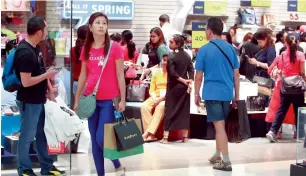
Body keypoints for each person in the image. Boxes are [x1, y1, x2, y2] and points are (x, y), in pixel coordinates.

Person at [73, 12, 126, 176]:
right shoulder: (86, 49)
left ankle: (117, 163)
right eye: (98, 23)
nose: (102, 25)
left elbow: (120, 75)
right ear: (90, 27)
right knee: (95, 144)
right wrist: (77, 100)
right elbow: (83, 75)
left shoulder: (114, 48)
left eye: (104, 23)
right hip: (91, 99)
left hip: (109, 101)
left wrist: (123, 99)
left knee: (100, 138)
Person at [13, 16, 65, 176]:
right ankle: (24, 169)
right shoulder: (25, 52)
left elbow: (41, 72)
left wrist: (49, 89)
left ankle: (47, 167)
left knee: (43, 134)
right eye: (46, 30)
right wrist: (47, 76)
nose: (47, 33)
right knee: (27, 136)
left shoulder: (35, 48)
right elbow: (26, 82)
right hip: (29, 102)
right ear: (39, 32)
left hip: (39, 100)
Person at [194, 17, 240, 171]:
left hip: (212, 93)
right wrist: (236, 96)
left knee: (219, 127)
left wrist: (196, 94)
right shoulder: (231, 48)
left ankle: (226, 161)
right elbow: (236, 75)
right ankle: (217, 154)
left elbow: (198, 76)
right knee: (220, 126)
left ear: (209, 30)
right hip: (227, 93)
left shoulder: (204, 50)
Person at [266, 34, 306, 143]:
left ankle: (272, 131)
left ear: (286, 43)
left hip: (285, 86)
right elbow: (302, 72)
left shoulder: (282, 55)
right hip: (297, 87)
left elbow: (278, 69)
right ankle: (300, 135)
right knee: (299, 110)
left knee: (281, 109)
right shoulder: (301, 55)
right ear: (297, 43)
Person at [161, 34, 194, 144]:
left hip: (173, 87)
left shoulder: (170, 56)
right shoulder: (187, 56)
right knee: (184, 111)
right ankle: (185, 137)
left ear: (178, 44)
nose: (169, 44)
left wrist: (184, 81)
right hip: (184, 88)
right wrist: (190, 81)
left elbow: (172, 73)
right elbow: (191, 69)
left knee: (169, 110)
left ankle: (165, 137)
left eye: (171, 42)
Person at [141, 56, 168, 142]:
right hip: (155, 96)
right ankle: (151, 134)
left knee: (160, 106)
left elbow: (171, 91)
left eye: (167, 61)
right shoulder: (156, 74)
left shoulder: (172, 74)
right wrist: (155, 98)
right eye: (164, 60)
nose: (165, 62)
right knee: (144, 106)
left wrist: (160, 100)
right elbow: (151, 89)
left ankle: (147, 133)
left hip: (165, 98)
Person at [71, 25, 87, 95]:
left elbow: (72, 68)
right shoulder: (90, 50)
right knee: (89, 106)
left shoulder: (72, 50)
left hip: (76, 83)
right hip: (87, 84)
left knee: (79, 106)